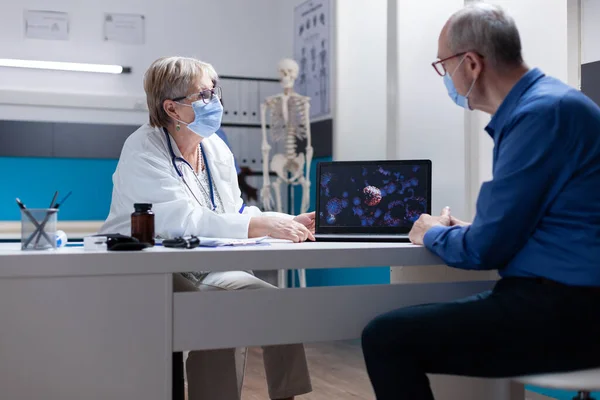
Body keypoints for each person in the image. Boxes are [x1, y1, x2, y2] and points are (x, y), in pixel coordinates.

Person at [361, 4, 600, 400]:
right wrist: (468, 231)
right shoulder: (554, 105)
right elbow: (538, 224)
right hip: (574, 299)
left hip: (570, 310)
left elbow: (485, 250)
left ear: (471, 63)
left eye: (443, 66)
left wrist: (432, 233)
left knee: (385, 338)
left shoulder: (539, 115)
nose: (446, 79)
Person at [100, 56, 313, 400]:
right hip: (146, 267)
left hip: (203, 264)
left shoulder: (214, 148)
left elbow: (234, 211)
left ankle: (286, 396)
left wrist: (283, 222)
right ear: (171, 108)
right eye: (203, 95)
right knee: (212, 312)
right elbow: (182, 221)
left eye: (214, 92)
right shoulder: (142, 149)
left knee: (276, 306)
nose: (214, 102)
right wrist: (260, 224)